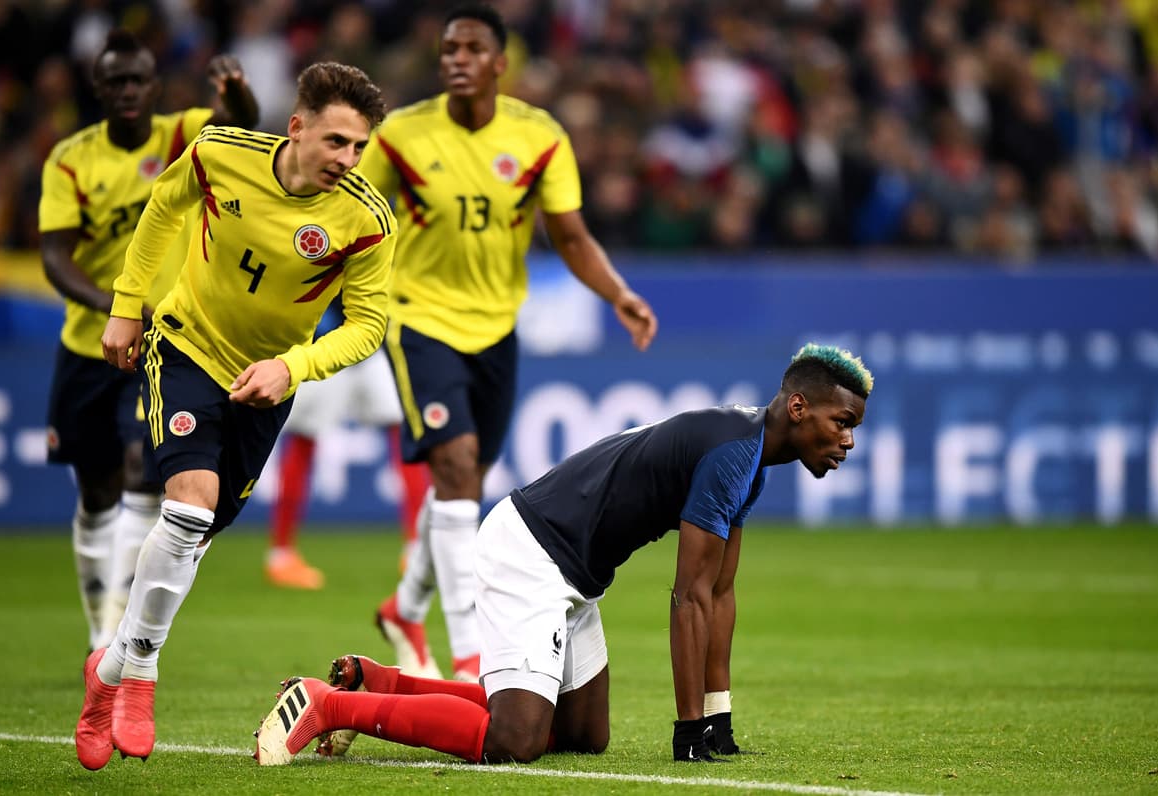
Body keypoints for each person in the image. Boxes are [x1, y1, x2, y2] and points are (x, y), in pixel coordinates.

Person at [253, 343, 873, 766]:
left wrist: (719, 717)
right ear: (798, 408)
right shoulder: (734, 454)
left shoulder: (748, 460)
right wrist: (689, 732)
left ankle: (386, 681)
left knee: (581, 736)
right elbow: (689, 597)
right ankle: (329, 703)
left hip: (575, 572)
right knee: (516, 740)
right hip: (532, 551)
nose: (847, 441)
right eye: (842, 422)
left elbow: (721, 594)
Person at [74, 61, 395, 771]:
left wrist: (295, 367)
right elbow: (163, 205)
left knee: (197, 538)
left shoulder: (367, 219)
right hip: (186, 346)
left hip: (267, 385)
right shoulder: (222, 153)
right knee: (190, 508)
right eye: (335, 141)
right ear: (297, 126)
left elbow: (368, 325)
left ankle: (108, 670)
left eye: (359, 148)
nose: (346, 160)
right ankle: (141, 674)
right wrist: (129, 306)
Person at [356, 2, 658, 683]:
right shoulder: (400, 137)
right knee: (457, 466)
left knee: (460, 483)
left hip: (496, 328)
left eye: (471, 49)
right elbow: (351, 217)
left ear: (500, 63)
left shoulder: (538, 136)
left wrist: (618, 294)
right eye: (448, 50)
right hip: (419, 319)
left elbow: (570, 236)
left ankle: (406, 608)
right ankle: (470, 658)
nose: (457, 60)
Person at [39, 30, 258, 654]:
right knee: (97, 492)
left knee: (143, 474)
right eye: (116, 82)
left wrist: (238, 93)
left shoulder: (181, 133)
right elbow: (56, 257)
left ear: (155, 86)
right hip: (90, 344)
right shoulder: (71, 159)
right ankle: (97, 623)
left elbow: (240, 126)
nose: (129, 91)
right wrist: (120, 306)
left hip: (164, 344)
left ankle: (114, 636)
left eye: (138, 80)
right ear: (98, 87)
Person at [265, 297, 432, 593]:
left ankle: (416, 552)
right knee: (304, 441)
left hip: (373, 348)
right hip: (327, 347)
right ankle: (281, 554)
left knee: (406, 438)